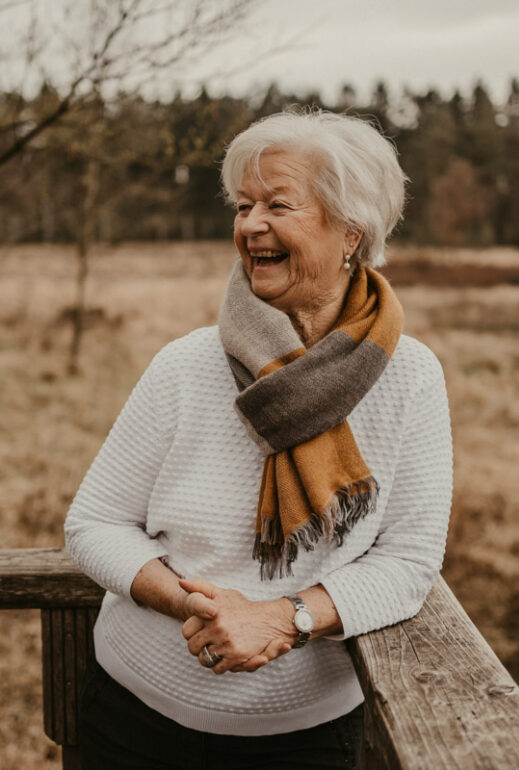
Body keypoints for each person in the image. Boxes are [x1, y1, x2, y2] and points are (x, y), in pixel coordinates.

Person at [65, 109, 453, 770]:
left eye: (278, 204)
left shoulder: (410, 377)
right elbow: (94, 524)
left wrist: (283, 616)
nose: (249, 225)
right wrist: (192, 601)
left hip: (308, 740)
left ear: (351, 231)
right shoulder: (185, 364)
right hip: (129, 722)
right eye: (243, 205)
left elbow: (410, 561)